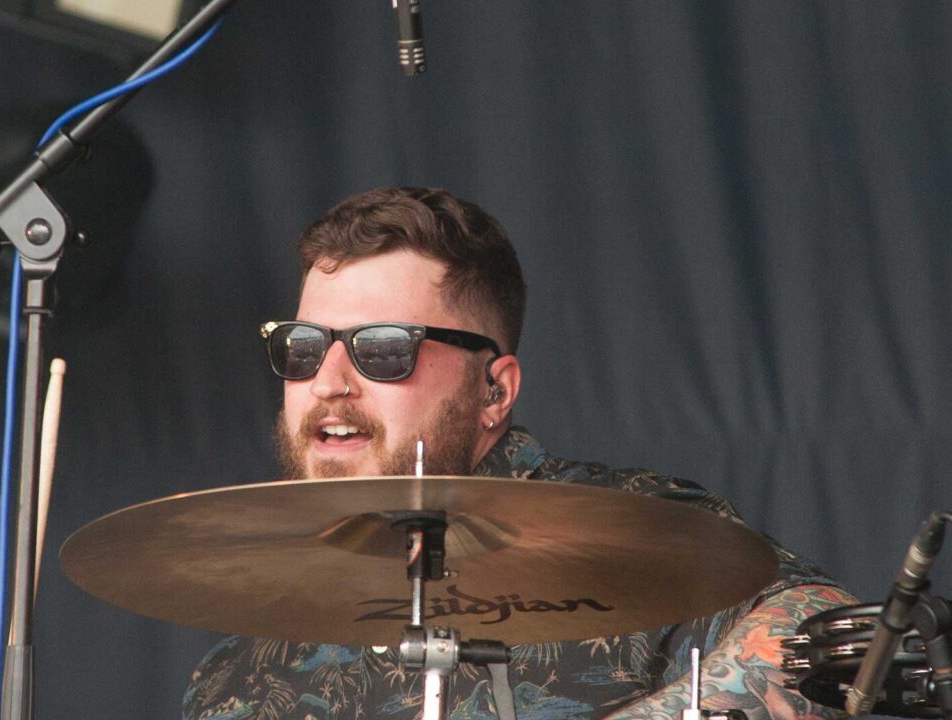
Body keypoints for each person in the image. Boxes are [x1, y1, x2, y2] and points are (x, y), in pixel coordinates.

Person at [183, 187, 855, 720]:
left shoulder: (636, 532)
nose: (328, 382)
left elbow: (831, 640)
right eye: (301, 348)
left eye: (382, 349)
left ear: (494, 390)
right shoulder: (237, 673)